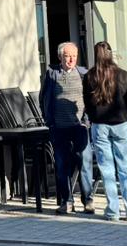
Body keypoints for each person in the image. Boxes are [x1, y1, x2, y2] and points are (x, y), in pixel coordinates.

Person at [83, 42, 127, 221]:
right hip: (121, 124)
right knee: (126, 167)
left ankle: (112, 210)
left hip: (99, 126)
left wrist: (94, 116)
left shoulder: (89, 77)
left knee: (107, 169)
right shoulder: (124, 75)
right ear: (111, 54)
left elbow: (87, 102)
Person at [40, 42, 94, 215]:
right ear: (60, 57)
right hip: (59, 128)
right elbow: (44, 98)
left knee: (85, 163)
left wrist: (86, 121)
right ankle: (67, 202)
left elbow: (90, 100)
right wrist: (49, 121)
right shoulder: (52, 74)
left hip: (80, 128)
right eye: (67, 56)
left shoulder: (83, 74)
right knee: (62, 166)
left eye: (74, 56)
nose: (71, 59)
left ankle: (88, 201)